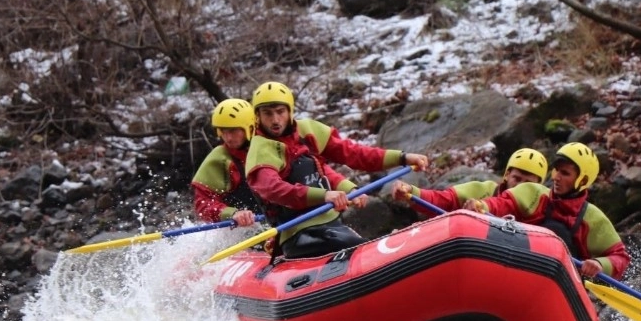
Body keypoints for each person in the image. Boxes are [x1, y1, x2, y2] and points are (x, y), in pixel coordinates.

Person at [245, 81, 429, 259]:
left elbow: (353, 153)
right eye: (268, 114)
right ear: (258, 116)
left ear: (289, 111)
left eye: (280, 112)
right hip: (297, 233)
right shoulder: (259, 152)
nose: (275, 120)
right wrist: (325, 195)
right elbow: (276, 190)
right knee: (351, 245)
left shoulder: (307, 131)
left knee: (356, 243)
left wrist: (402, 158)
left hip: (331, 223)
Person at [465, 142, 631, 279]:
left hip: (558, 283)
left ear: (583, 180)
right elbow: (501, 203)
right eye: (556, 170)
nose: (556, 177)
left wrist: (600, 264)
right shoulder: (534, 193)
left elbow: (620, 257)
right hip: (516, 267)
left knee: (557, 231)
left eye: (564, 173)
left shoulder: (593, 218)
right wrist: (482, 206)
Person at [391, 147, 548, 212]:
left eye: (527, 183)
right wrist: (411, 192)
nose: (519, 186)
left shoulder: (541, 206)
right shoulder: (483, 190)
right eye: (516, 178)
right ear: (506, 175)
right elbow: (445, 199)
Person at [190, 98, 264, 226]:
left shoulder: (271, 147)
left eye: (233, 130)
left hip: (279, 223)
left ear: (250, 127)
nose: (228, 138)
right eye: (223, 131)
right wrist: (232, 213)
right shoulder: (220, 158)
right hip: (244, 231)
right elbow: (202, 205)